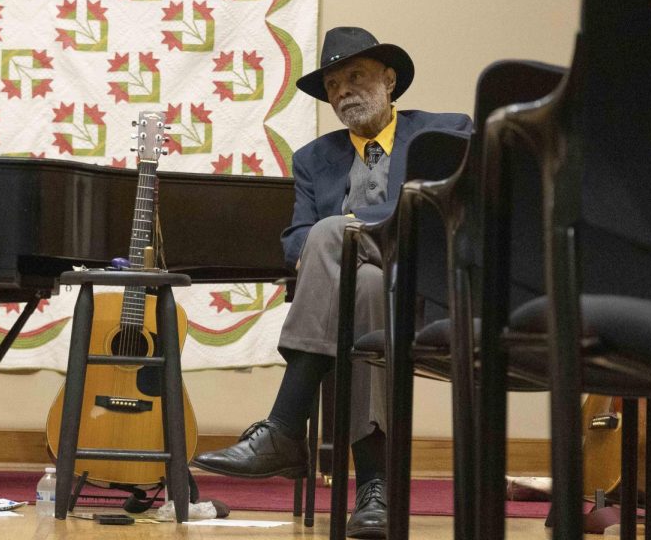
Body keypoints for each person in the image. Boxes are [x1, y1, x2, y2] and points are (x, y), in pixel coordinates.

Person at [191, 27, 472, 539]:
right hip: (361, 300)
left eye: (356, 76)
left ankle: (283, 427)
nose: (343, 90)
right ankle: (374, 489)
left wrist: (352, 230)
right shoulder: (313, 159)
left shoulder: (444, 133)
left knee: (331, 232)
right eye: (334, 84)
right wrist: (337, 243)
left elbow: (460, 216)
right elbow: (295, 240)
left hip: (426, 293)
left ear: (389, 81)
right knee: (361, 288)